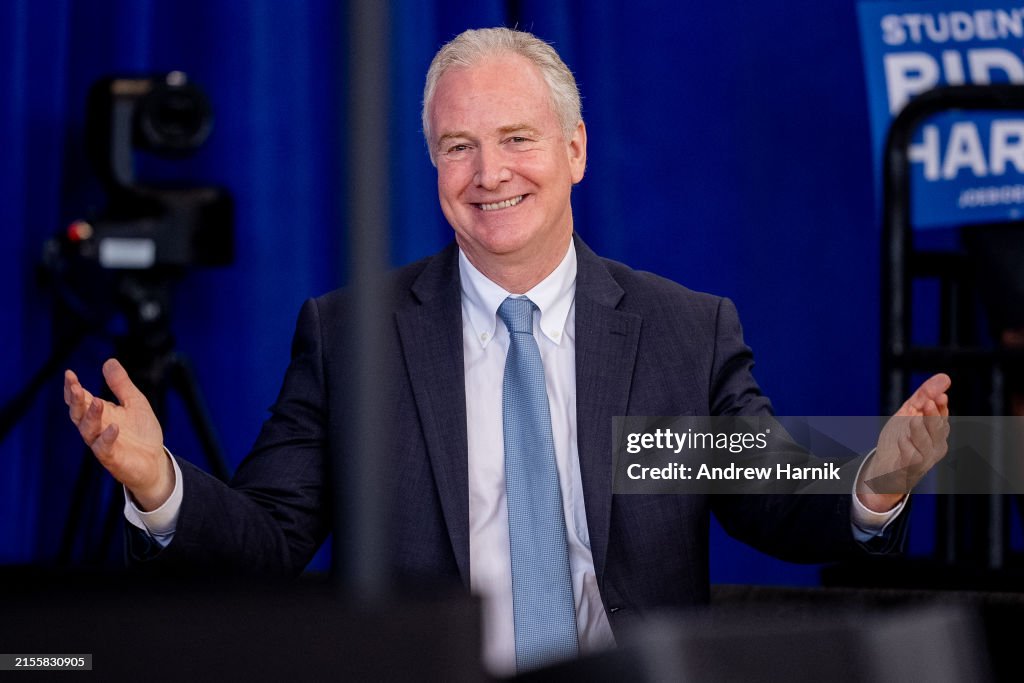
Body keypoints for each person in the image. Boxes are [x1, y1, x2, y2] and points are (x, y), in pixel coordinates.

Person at [64, 27, 951, 675]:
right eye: (459, 147)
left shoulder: (679, 330)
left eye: (517, 139)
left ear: (574, 150)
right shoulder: (352, 338)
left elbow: (766, 493)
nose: (489, 173)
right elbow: (270, 538)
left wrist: (872, 484)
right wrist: (161, 486)